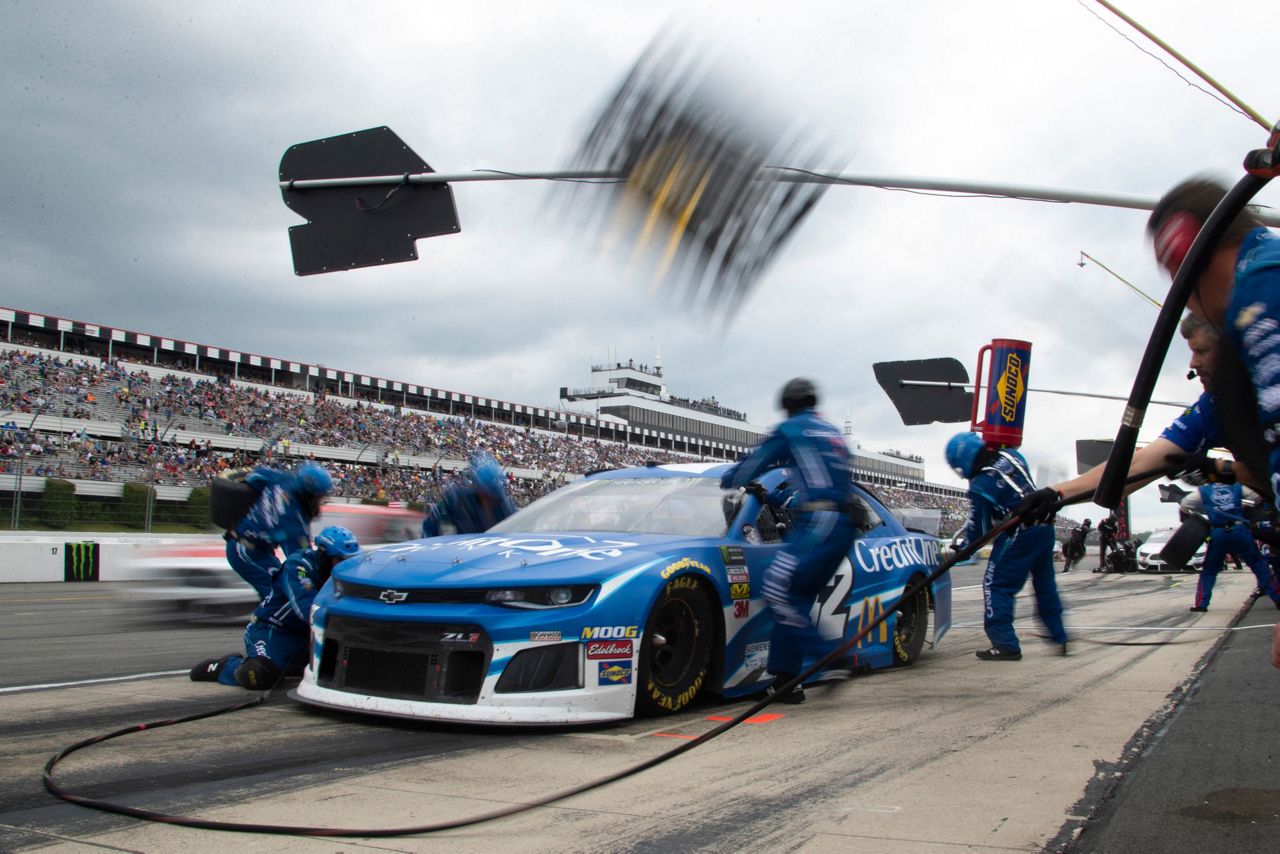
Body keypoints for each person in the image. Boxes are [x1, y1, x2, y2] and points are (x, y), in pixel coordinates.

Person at [720, 377, 859, 703]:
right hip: (842, 523)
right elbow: (818, 489)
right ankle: (786, 681)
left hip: (819, 523)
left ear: (788, 404)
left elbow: (750, 467)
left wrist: (729, 479)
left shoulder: (792, 429)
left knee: (778, 590)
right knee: (794, 600)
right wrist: (770, 498)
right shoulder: (833, 433)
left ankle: (831, 658)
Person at [945, 432, 1068, 661]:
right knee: (1045, 584)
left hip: (1020, 532)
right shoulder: (1013, 456)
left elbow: (979, 531)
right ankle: (1059, 636)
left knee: (996, 585)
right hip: (1045, 528)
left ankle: (1005, 644)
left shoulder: (980, 485)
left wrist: (964, 549)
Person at [192, 525, 361, 688]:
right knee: (258, 674)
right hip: (272, 631)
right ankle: (225, 667)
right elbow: (306, 608)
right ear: (324, 555)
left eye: (350, 560)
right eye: (340, 560)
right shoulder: (299, 567)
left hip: (306, 636)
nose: (345, 566)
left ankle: (291, 664)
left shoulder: (344, 575)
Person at [225, 460, 333, 599]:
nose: (320, 502)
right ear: (309, 494)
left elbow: (254, 476)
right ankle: (262, 620)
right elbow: (301, 563)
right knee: (279, 595)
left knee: (282, 583)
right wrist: (310, 582)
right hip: (245, 551)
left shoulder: (283, 477)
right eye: (320, 497)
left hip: (259, 550)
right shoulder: (294, 523)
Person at [1183, 483, 1280, 611]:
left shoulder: (1204, 490)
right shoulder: (1237, 487)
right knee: (1259, 565)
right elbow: (1257, 498)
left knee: (1209, 570)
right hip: (1239, 530)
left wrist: (1198, 513)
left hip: (1218, 532)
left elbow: (1185, 504)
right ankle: (1278, 599)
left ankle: (1201, 604)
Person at [421, 450, 517, 537]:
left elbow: (517, 524)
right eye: (485, 488)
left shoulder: (502, 502)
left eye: (492, 487)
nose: (489, 493)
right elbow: (432, 520)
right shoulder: (457, 498)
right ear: (477, 485)